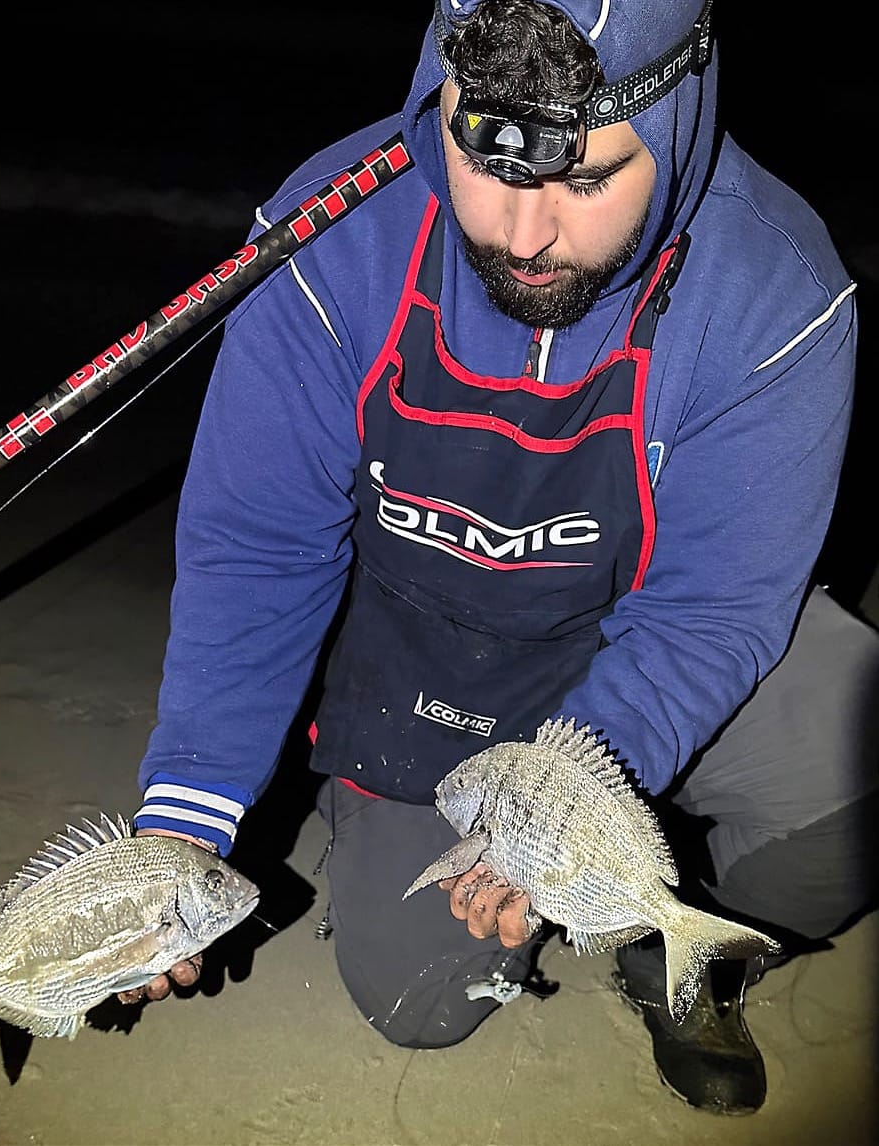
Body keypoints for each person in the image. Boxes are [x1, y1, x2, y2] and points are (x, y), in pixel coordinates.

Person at [120, 0, 878, 1116]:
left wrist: (568, 803)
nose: (523, 236)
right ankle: (390, 803)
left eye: (586, 181)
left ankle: (664, 945)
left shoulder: (776, 293)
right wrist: (185, 823)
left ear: (674, 126)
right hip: (424, 656)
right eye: (486, 165)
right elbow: (261, 546)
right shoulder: (332, 230)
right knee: (421, 996)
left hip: (641, 638)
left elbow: (711, 614)